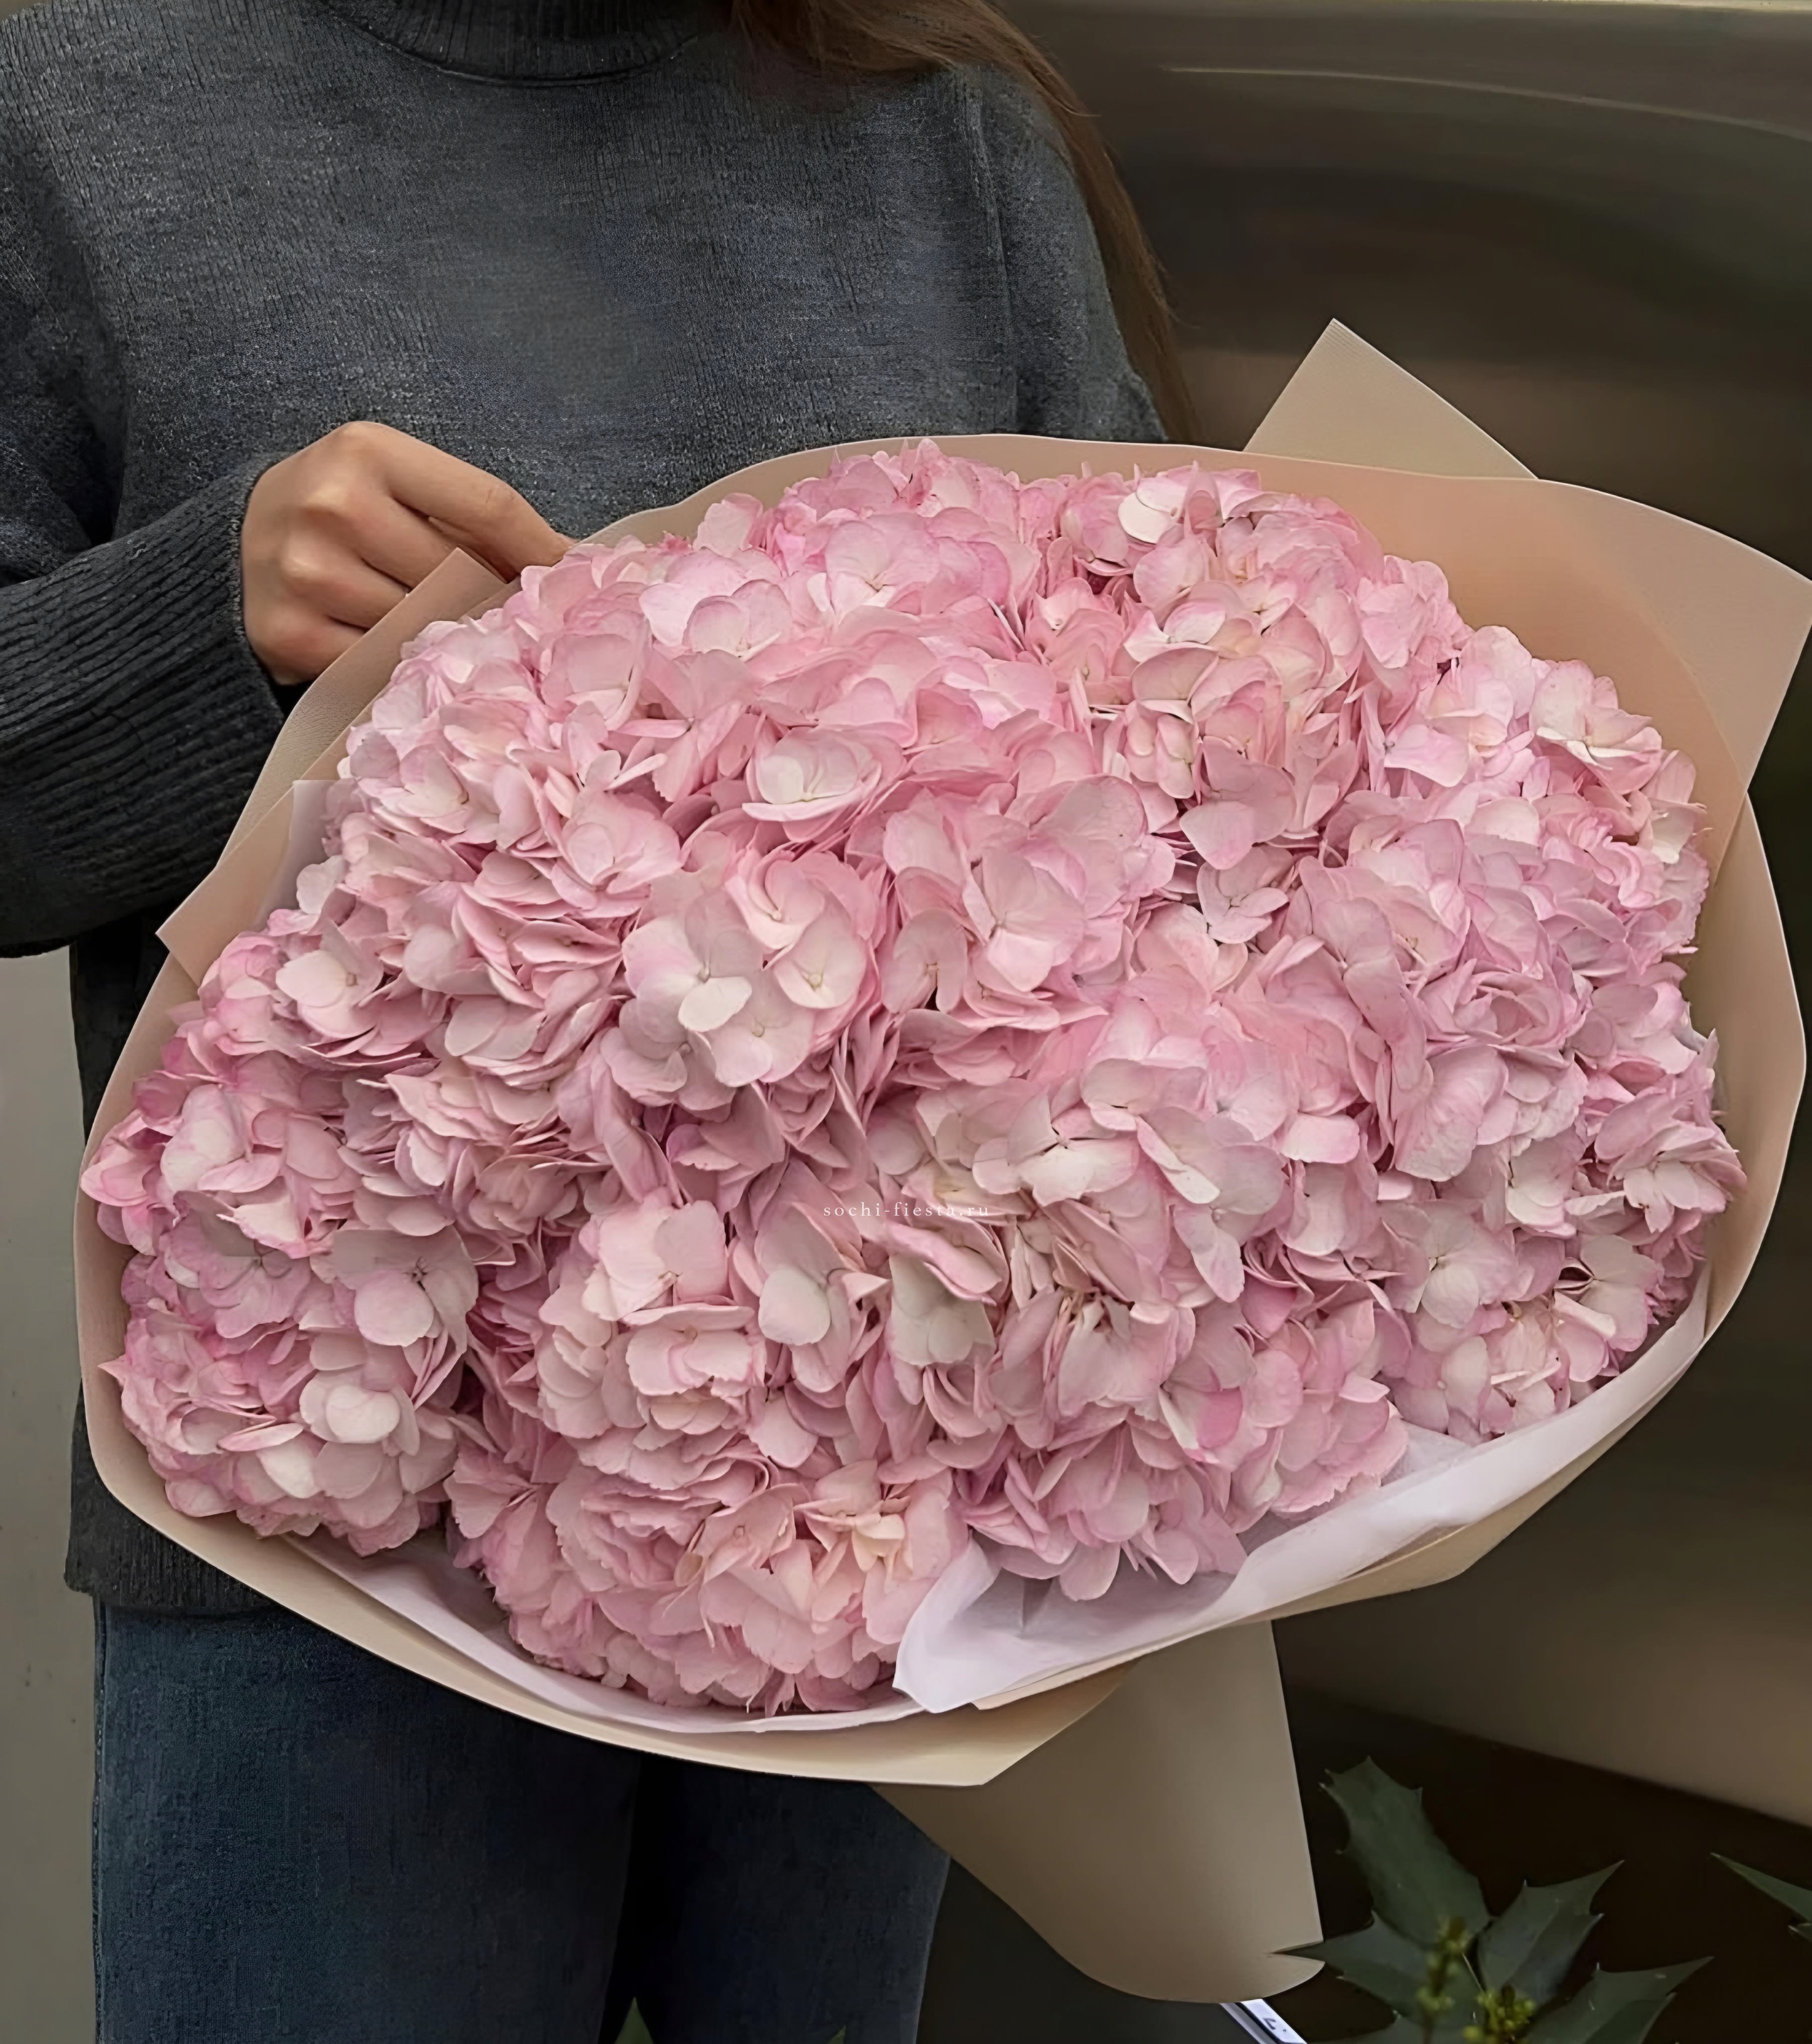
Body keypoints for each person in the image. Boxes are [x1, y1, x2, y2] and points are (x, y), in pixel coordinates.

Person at [0, 1, 1194, 2038]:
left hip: (877, 1578)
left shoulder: (944, 133)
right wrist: (204, 619)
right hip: (327, 1577)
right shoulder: (76, 98)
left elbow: (1166, 742)